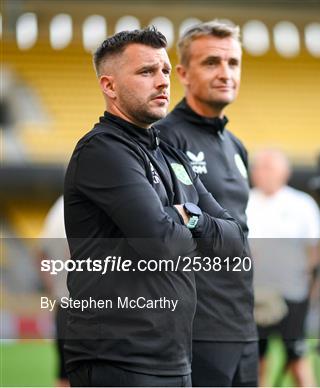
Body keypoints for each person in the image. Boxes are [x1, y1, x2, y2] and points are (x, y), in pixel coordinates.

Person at [63, 27, 245, 387]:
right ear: (110, 86)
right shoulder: (104, 151)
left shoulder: (170, 153)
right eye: (146, 72)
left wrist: (188, 216)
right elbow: (160, 243)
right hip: (118, 358)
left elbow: (235, 239)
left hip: (174, 356)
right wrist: (197, 226)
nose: (162, 81)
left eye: (164, 70)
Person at [154, 21, 257, 387]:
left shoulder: (237, 146)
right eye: (212, 62)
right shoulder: (164, 138)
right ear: (182, 73)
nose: (225, 73)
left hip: (243, 324)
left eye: (233, 63)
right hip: (195, 328)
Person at [247, 148, 320, 387]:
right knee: (255, 363)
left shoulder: (302, 204)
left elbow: (314, 251)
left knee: (297, 361)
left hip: (293, 295)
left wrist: (313, 291)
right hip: (254, 296)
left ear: (285, 172)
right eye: (261, 167)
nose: (265, 173)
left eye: (271, 167)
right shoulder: (244, 201)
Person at [36, 195, 69, 387]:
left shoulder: (59, 205)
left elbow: (40, 253)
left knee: (64, 375)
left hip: (64, 303)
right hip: (87, 307)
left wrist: (54, 288)